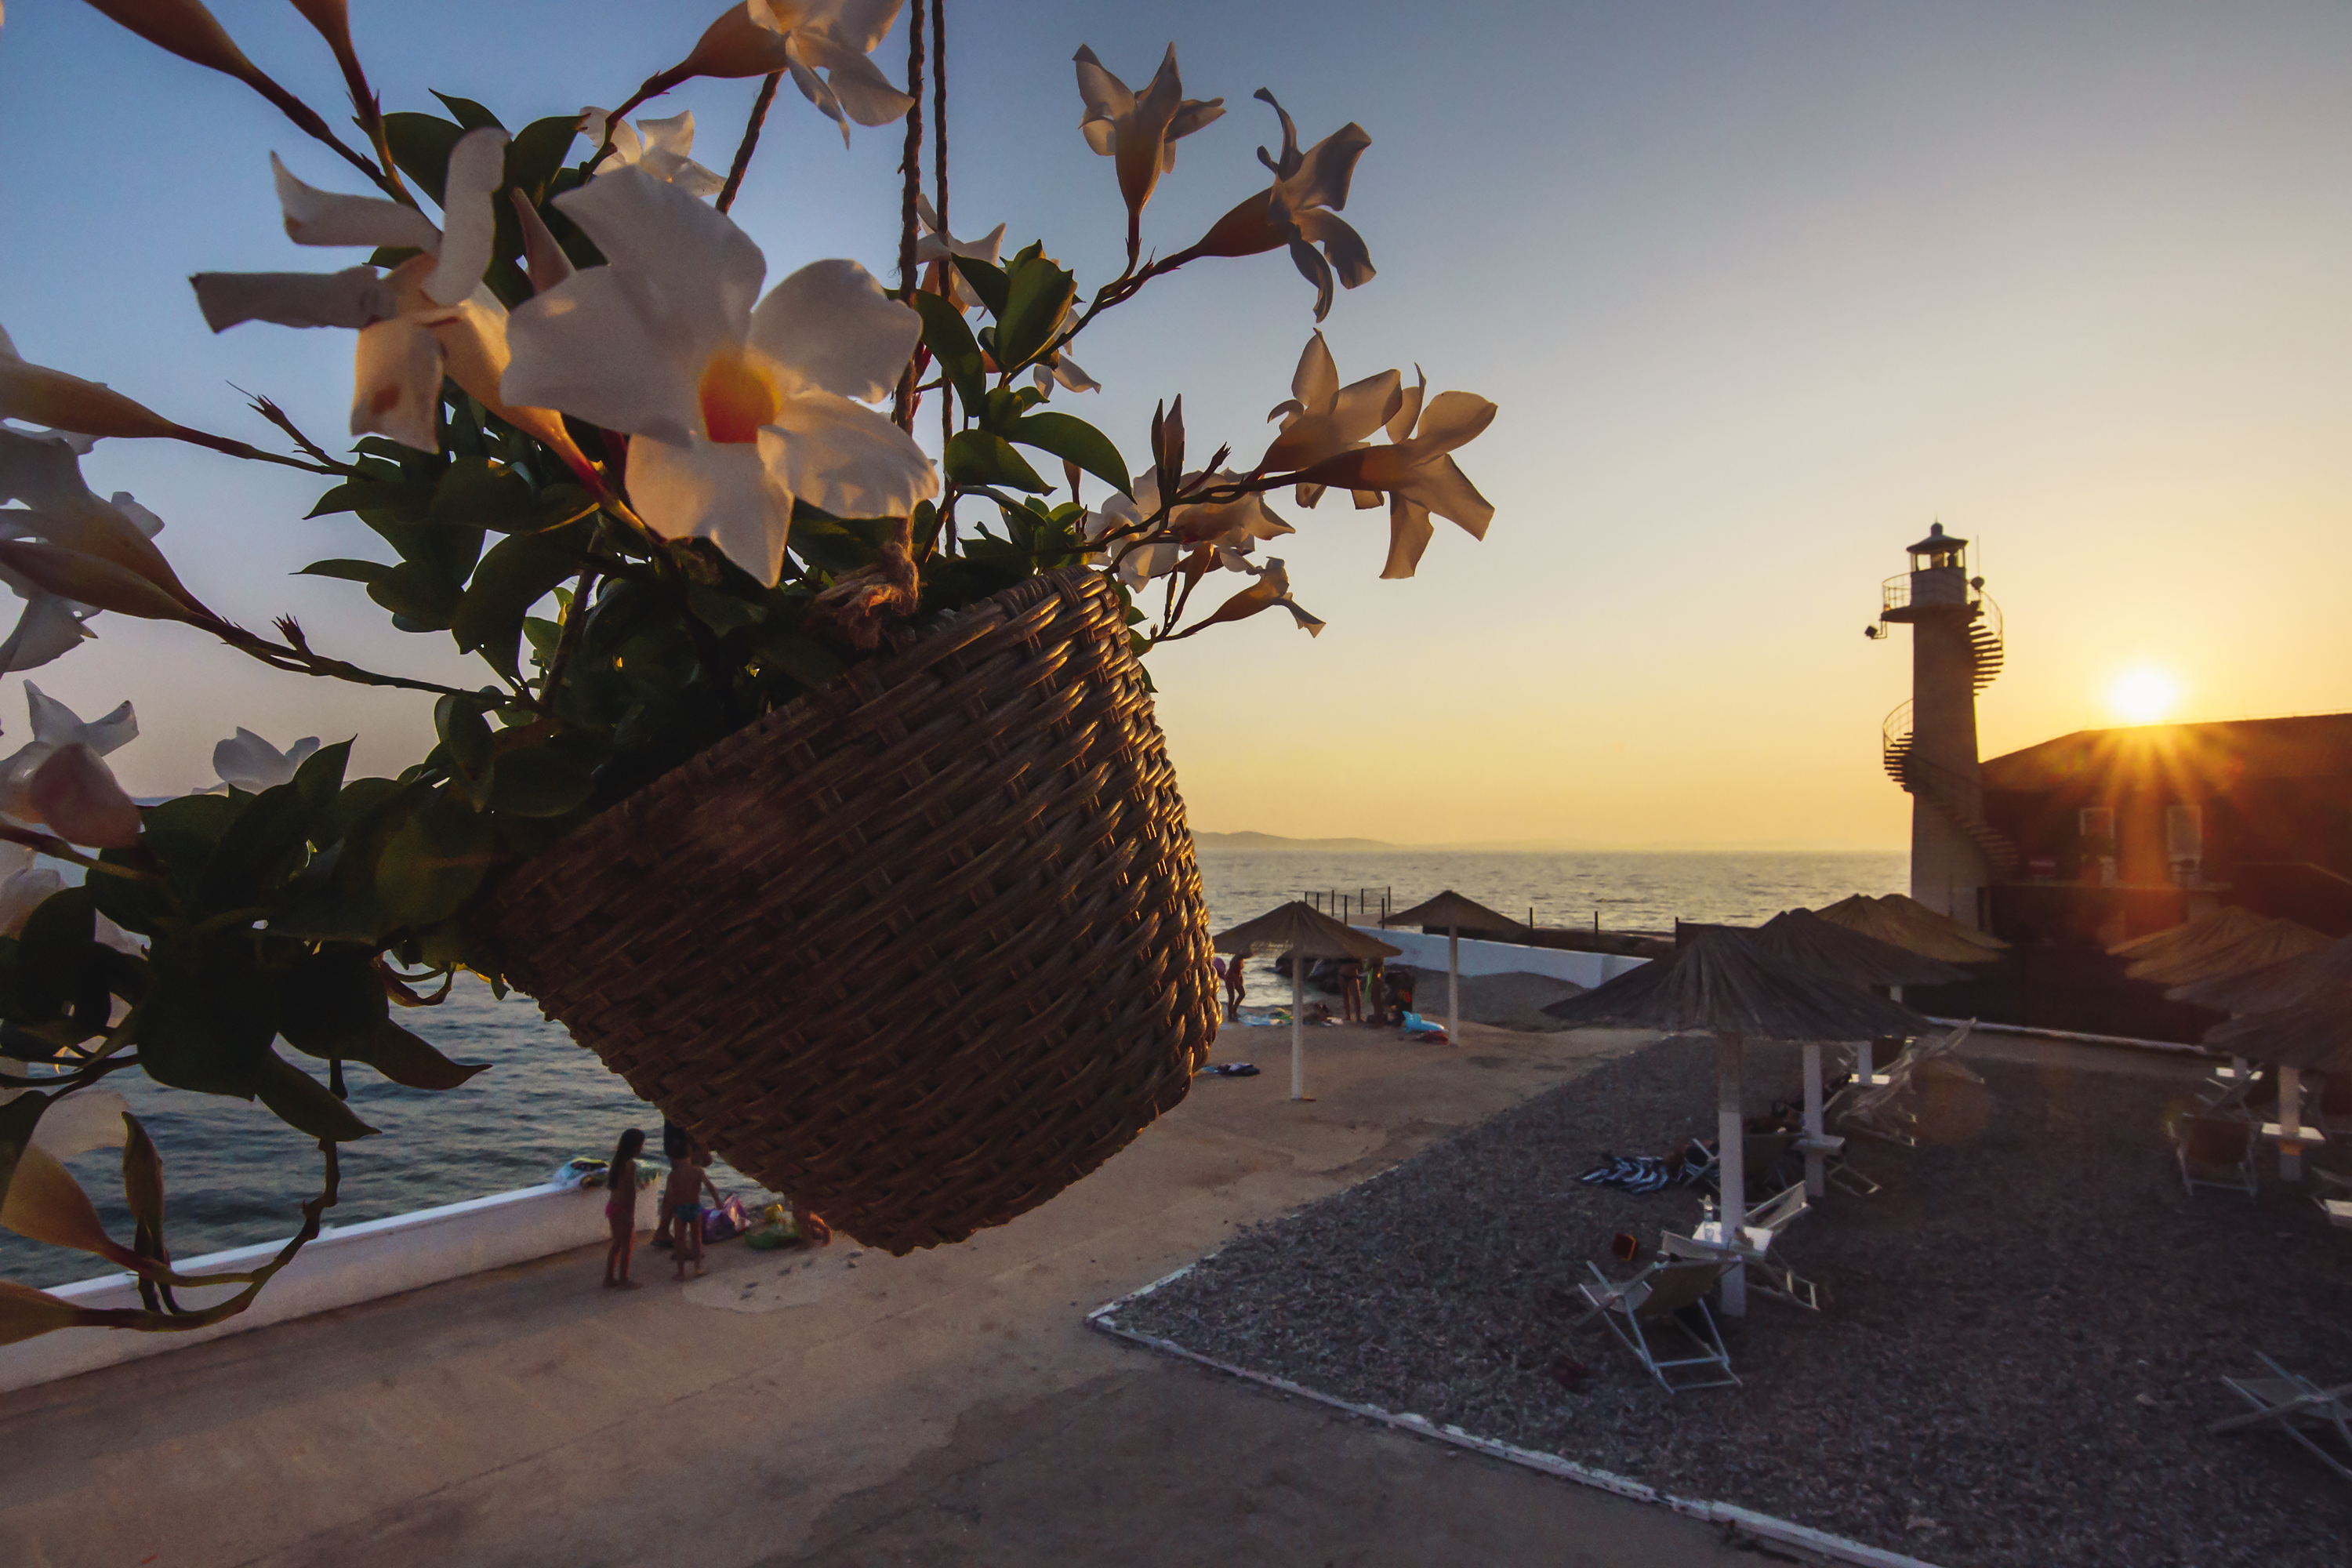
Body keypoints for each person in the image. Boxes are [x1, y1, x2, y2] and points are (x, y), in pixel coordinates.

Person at [663, 1140, 721, 1281]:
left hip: (680, 1209)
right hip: (694, 1208)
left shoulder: (673, 1176)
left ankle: (681, 1271)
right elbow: (710, 1187)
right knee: (696, 1239)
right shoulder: (698, 1171)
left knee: (680, 1241)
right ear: (691, 1155)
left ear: (674, 1159)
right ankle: (698, 1267)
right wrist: (717, 1201)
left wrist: (668, 1214)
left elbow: (669, 1196)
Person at [603, 1127, 646, 1289]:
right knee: (627, 1244)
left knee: (616, 1243)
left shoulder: (616, 1162)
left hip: (613, 1206)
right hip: (623, 1209)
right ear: (635, 1147)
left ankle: (609, 1278)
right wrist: (631, 1213)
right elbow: (629, 1190)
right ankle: (624, 1279)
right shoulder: (630, 1165)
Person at [652, 1120, 691, 1250]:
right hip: (681, 1138)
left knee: (674, 1187)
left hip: (676, 1138)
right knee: (681, 1189)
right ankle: (680, 1241)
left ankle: (663, 1230)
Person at [1336, 956, 1363, 1023]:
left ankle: (1358, 1017)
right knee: (1345, 996)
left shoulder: (1356, 954)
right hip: (1342, 975)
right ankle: (1348, 1016)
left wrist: (1353, 965)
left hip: (1353, 976)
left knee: (1356, 996)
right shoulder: (1342, 954)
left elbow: (1361, 965)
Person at [1224, 951, 1247, 1020]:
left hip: (1236, 978)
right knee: (1231, 997)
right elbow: (1232, 973)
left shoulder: (1241, 960)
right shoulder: (1235, 961)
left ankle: (1234, 1010)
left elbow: (1239, 971)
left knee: (1242, 994)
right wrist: (1237, 982)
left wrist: (1241, 980)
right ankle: (1230, 1016)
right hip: (1230, 978)